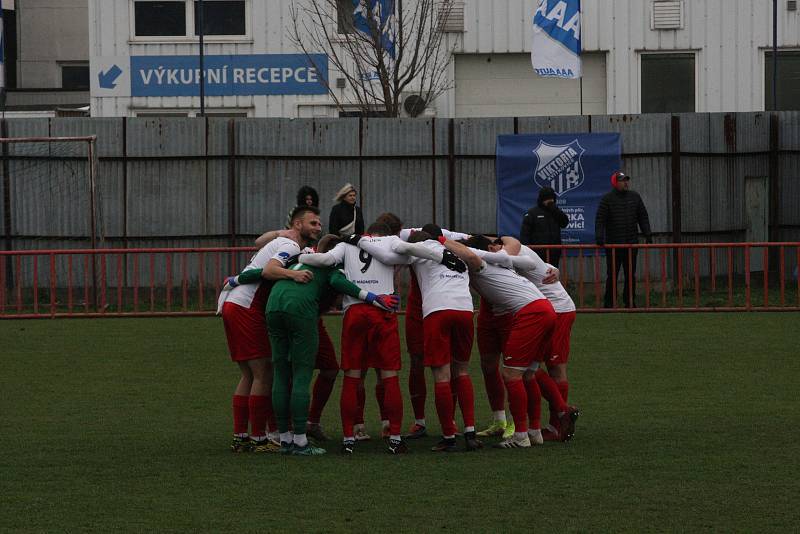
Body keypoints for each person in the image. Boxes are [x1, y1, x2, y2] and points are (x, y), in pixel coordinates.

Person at [301, 221, 436, 455]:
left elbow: (324, 261)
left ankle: (348, 439)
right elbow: (412, 250)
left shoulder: (347, 245)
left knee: (352, 377)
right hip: (382, 310)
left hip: (355, 311)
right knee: (389, 376)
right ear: (386, 233)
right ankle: (394, 438)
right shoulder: (390, 241)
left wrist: (302, 255)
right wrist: (440, 255)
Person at [441, 236, 579, 447]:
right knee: (527, 372)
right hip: (541, 309)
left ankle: (530, 429)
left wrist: (438, 240)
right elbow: (534, 264)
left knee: (518, 373)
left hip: (544, 310)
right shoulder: (505, 258)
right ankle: (534, 430)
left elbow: (477, 253)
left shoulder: (498, 255)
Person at [357, 225, 480, 453]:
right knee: (461, 371)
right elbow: (479, 263)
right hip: (465, 310)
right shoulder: (459, 252)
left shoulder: (417, 250)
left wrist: (360, 241)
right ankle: (470, 433)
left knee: (441, 376)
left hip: (437, 310)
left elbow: (388, 256)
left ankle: (449, 437)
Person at [216, 207, 316, 453]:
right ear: (298, 225)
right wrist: (294, 276)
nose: (317, 227)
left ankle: (241, 436)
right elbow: (271, 270)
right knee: (264, 373)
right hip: (246, 307)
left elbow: (261, 253)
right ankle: (260, 438)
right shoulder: (291, 246)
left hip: (234, 303)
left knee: (250, 375)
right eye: (312, 223)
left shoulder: (285, 242)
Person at [595, 171, 652, 308]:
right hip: (613, 245)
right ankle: (609, 303)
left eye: (626, 180)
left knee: (630, 275)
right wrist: (599, 236)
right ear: (615, 183)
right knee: (612, 275)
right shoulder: (607, 199)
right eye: (622, 180)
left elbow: (642, 217)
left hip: (631, 244)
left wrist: (648, 234)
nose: (625, 182)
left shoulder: (635, 197)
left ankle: (630, 302)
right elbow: (600, 220)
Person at [519, 186, 569, 266]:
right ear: (542, 199)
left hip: (554, 252)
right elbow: (525, 235)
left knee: (552, 275)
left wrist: (555, 209)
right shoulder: (532, 213)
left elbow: (564, 223)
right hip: (537, 253)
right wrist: (526, 252)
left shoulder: (556, 212)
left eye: (552, 198)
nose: (550, 201)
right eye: (547, 199)